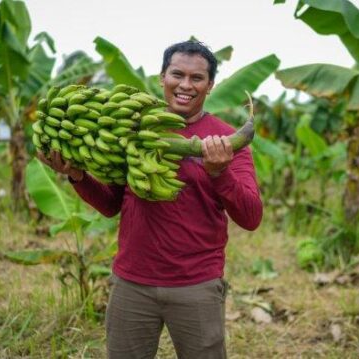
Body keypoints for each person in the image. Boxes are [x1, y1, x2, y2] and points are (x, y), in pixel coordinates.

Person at [38, 40, 262, 359]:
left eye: (197, 78)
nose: (185, 85)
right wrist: (77, 176)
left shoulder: (226, 141)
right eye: (177, 74)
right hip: (132, 283)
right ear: (162, 77)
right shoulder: (132, 126)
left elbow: (251, 217)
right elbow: (112, 204)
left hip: (196, 284)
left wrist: (220, 173)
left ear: (210, 85)